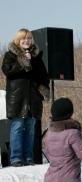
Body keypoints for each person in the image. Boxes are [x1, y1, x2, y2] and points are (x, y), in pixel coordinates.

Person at [1, 28, 49, 167]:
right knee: (17, 127)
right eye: (23, 39)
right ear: (18, 40)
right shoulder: (10, 55)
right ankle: (16, 158)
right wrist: (23, 62)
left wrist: (42, 91)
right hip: (18, 98)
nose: (26, 41)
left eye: (28, 38)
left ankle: (28, 157)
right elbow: (8, 71)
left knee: (30, 127)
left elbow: (43, 76)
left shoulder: (36, 57)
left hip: (33, 97)